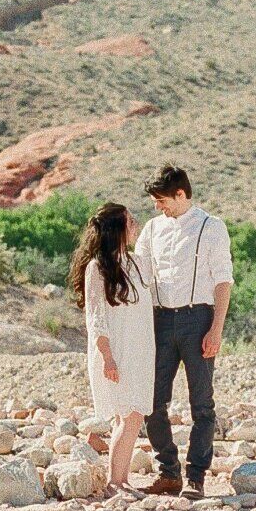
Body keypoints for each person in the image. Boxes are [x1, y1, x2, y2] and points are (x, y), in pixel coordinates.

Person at [136, 164, 233, 497]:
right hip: (160, 320)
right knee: (150, 400)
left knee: (202, 404)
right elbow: (139, 275)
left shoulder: (212, 226)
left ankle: (196, 477)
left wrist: (216, 329)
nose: (158, 207)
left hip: (199, 319)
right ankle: (169, 472)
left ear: (181, 194)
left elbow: (223, 280)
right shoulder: (151, 229)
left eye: (162, 200)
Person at [71, 200, 154, 492]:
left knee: (131, 415)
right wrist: (108, 357)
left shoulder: (137, 263)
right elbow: (96, 318)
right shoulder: (97, 268)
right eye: (130, 222)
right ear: (117, 229)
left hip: (140, 349)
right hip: (115, 351)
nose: (135, 226)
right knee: (129, 415)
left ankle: (120, 480)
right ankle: (116, 482)